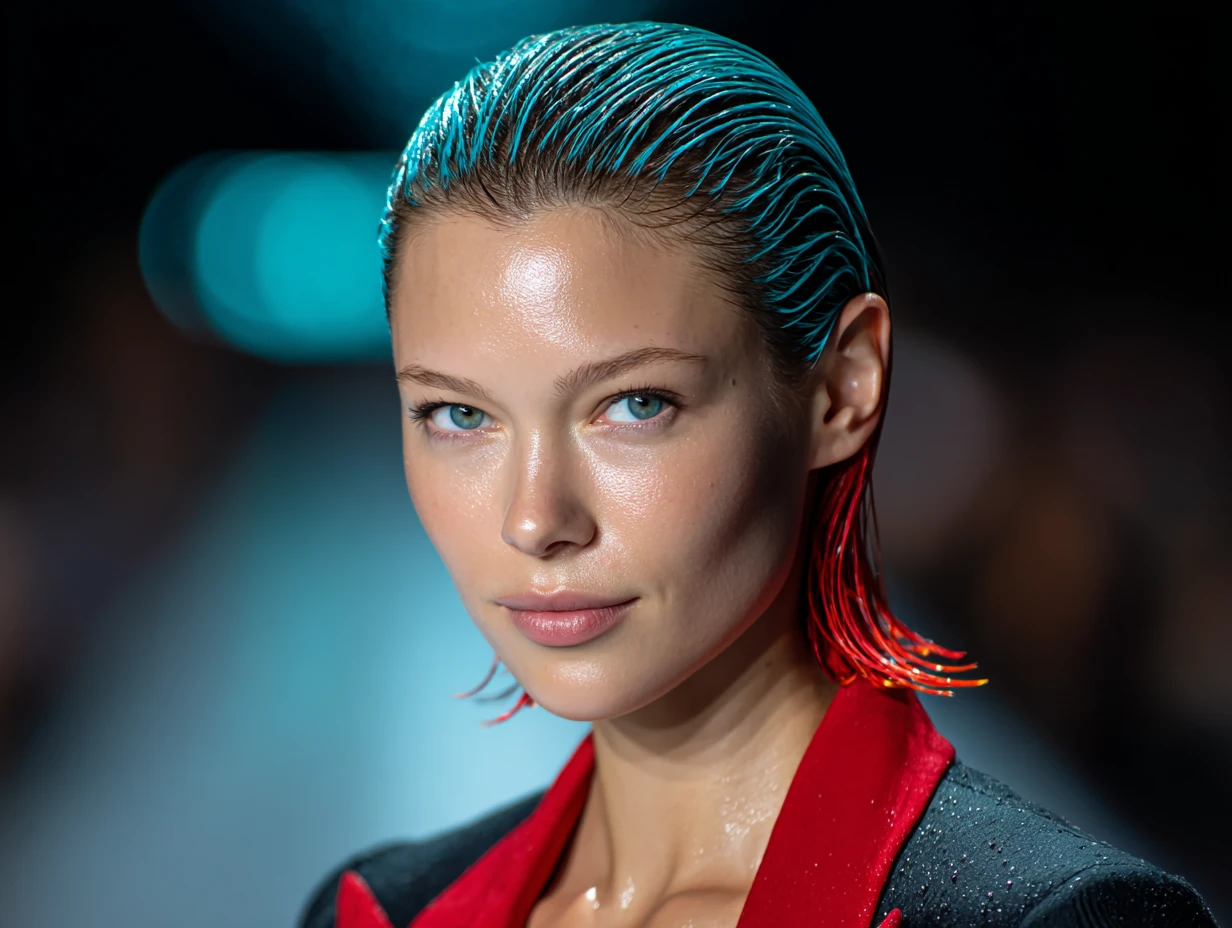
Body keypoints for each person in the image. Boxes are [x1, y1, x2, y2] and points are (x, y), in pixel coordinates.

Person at [300, 22, 1214, 928]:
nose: (535, 521)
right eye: (459, 415)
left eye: (633, 404)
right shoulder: (379, 911)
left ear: (842, 390)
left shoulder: (1045, 919)